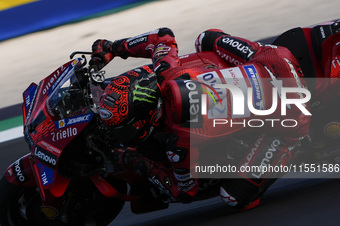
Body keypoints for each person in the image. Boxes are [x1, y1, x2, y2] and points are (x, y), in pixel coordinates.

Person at [90, 27, 312, 209]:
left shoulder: (178, 143)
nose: (122, 134)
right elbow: (163, 37)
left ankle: (299, 146)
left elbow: (184, 191)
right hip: (274, 58)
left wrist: (137, 162)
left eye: (126, 128)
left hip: (294, 110)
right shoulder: (166, 70)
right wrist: (113, 48)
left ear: (150, 113)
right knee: (205, 39)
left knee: (234, 198)